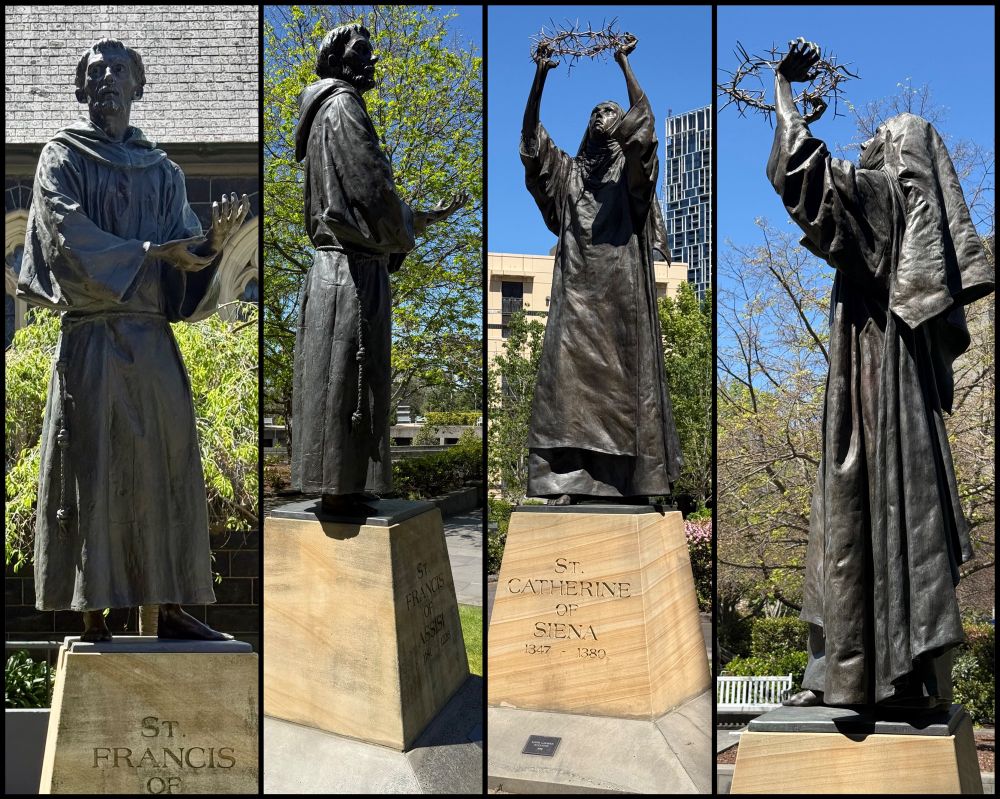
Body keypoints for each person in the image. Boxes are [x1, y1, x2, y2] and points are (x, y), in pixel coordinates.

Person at [768, 40, 994, 708]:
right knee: (892, 524)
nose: (865, 140)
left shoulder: (883, 206)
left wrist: (781, 88)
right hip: (898, 396)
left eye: (878, 136)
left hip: (869, 388)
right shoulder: (903, 235)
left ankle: (848, 675)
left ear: (903, 163)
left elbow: (802, 176)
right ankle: (907, 676)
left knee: (850, 516)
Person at [18, 39, 249, 641]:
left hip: (151, 347)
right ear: (81, 89)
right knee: (93, 474)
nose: (107, 80)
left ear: (138, 86)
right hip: (93, 346)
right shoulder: (60, 158)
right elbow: (67, 239)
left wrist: (214, 248)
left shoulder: (164, 172)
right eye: (95, 73)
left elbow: (186, 264)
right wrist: (151, 251)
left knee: (166, 473)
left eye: (119, 70)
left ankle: (169, 608)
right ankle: (93, 612)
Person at [291, 23, 465, 513]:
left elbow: (368, 201)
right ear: (337, 59)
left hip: (343, 267)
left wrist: (417, 219)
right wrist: (406, 225)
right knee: (346, 378)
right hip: (350, 271)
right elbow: (371, 191)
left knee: (345, 379)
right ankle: (340, 489)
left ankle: (343, 487)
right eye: (362, 51)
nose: (372, 61)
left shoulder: (330, 110)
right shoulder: (343, 107)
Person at [520, 34, 681, 505]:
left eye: (610, 111)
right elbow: (532, 145)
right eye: (595, 112)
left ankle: (634, 483)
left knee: (629, 390)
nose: (601, 116)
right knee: (563, 388)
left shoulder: (630, 177)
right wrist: (540, 77)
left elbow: (644, 136)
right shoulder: (568, 175)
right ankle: (566, 481)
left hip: (622, 303)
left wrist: (624, 65)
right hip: (574, 301)